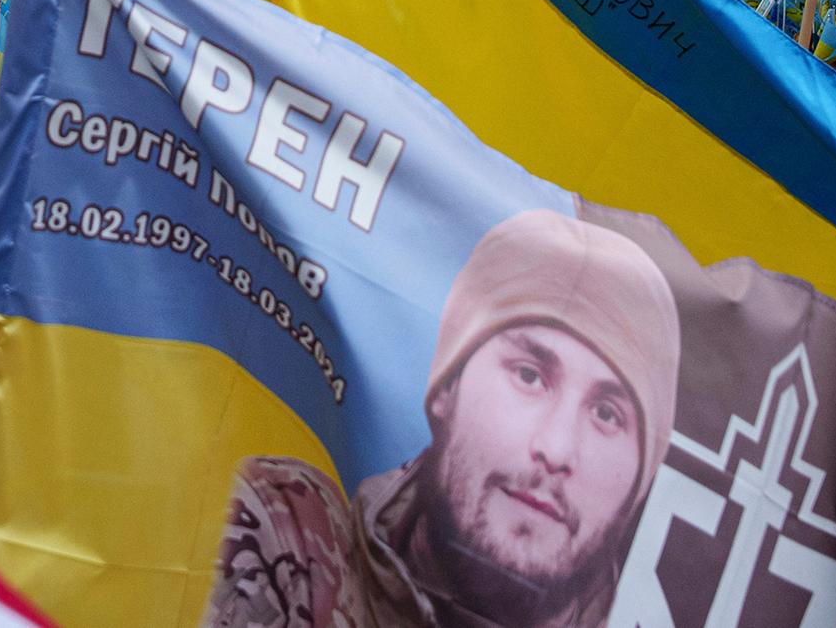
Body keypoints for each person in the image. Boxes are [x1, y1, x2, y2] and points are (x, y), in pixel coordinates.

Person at [204, 212, 682, 628]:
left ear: (638, 486)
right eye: (529, 375)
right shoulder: (289, 531)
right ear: (447, 389)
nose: (556, 449)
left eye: (606, 414)